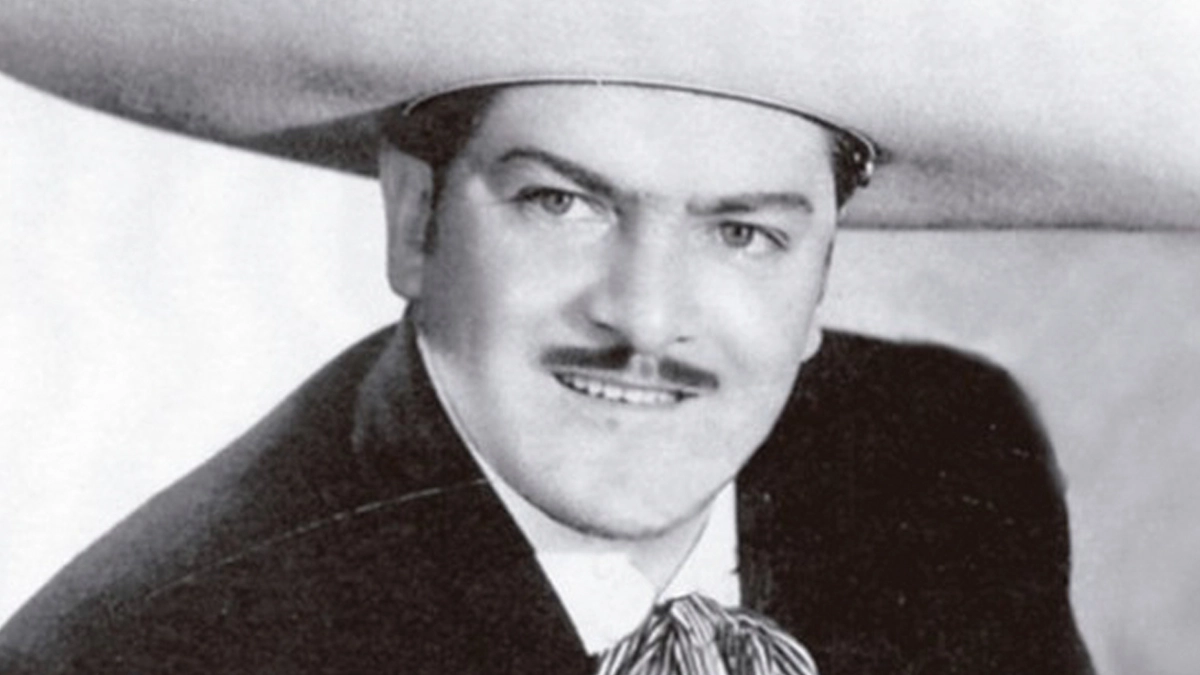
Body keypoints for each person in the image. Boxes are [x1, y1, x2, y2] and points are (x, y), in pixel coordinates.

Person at [0, 2, 1119, 674]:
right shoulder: (157, 649)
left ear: (821, 269)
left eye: (742, 233)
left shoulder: (948, 456)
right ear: (416, 222)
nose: (646, 316)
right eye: (562, 204)